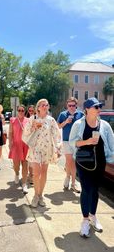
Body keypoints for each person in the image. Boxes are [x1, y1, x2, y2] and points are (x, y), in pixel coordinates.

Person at [69, 97, 114, 238]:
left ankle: (93, 216)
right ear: (87, 109)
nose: (98, 109)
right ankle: (85, 220)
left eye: (99, 106)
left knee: (95, 191)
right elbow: (72, 143)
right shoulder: (78, 124)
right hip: (83, 162)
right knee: (86, 190)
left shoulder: (105, 125)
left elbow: (111, 145)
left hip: (99, 162)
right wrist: (87, 141)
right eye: (96, 107)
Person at [23, 99, 61, 207]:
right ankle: (35, 195)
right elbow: (25, 132)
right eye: (42, 105)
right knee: (36, 173)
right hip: (35, 149)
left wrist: (57, 147)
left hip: (47, 149)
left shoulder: (51, 120)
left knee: (44, 173)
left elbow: (56, 135)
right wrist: (33, 127)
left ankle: (40, 195)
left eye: (46, 105)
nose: (45, 106)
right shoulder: (33, 118)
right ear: (38, 107)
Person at [57, 97, 84, 192]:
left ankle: (70, 180)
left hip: (77, 141)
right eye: (70, 105)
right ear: (67, 105)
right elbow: (58, 126)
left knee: (73, 162)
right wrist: (66, 122)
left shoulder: (81, 114)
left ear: (76, 105)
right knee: (69, 161)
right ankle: (72, 181)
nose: (71, 107)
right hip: (66, 141)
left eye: (73, 105)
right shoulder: (63, 114)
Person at [8, 105, 29, 194]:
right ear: (17, 111)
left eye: (22, 110)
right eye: (19, 110)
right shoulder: (13, 120)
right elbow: (10, 132)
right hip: (16, 145)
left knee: (25, 166)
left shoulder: (28, 121)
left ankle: (24, 184)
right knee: (16, 165)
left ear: (25, 111)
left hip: (25, 145)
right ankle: (17, 174)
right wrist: (10, 143)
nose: (21, 112)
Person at [25, 105, 36, 185]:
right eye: (30, 111)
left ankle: (32, 175)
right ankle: (30, 175)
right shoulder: (26, 119)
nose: (31, 112)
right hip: (28, 141)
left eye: (32, 111)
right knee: (29, 159)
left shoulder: (37, 118)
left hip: (36, 142)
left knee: (34, 159)